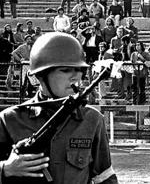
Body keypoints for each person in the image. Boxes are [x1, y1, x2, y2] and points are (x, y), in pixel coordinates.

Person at [0, 32, 119, 184]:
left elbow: (105, 177)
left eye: (79, 70)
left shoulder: (92, 119)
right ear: (41, 75)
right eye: (65, 70)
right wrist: (5, 169)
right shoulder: (10, 119)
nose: (75, 77)